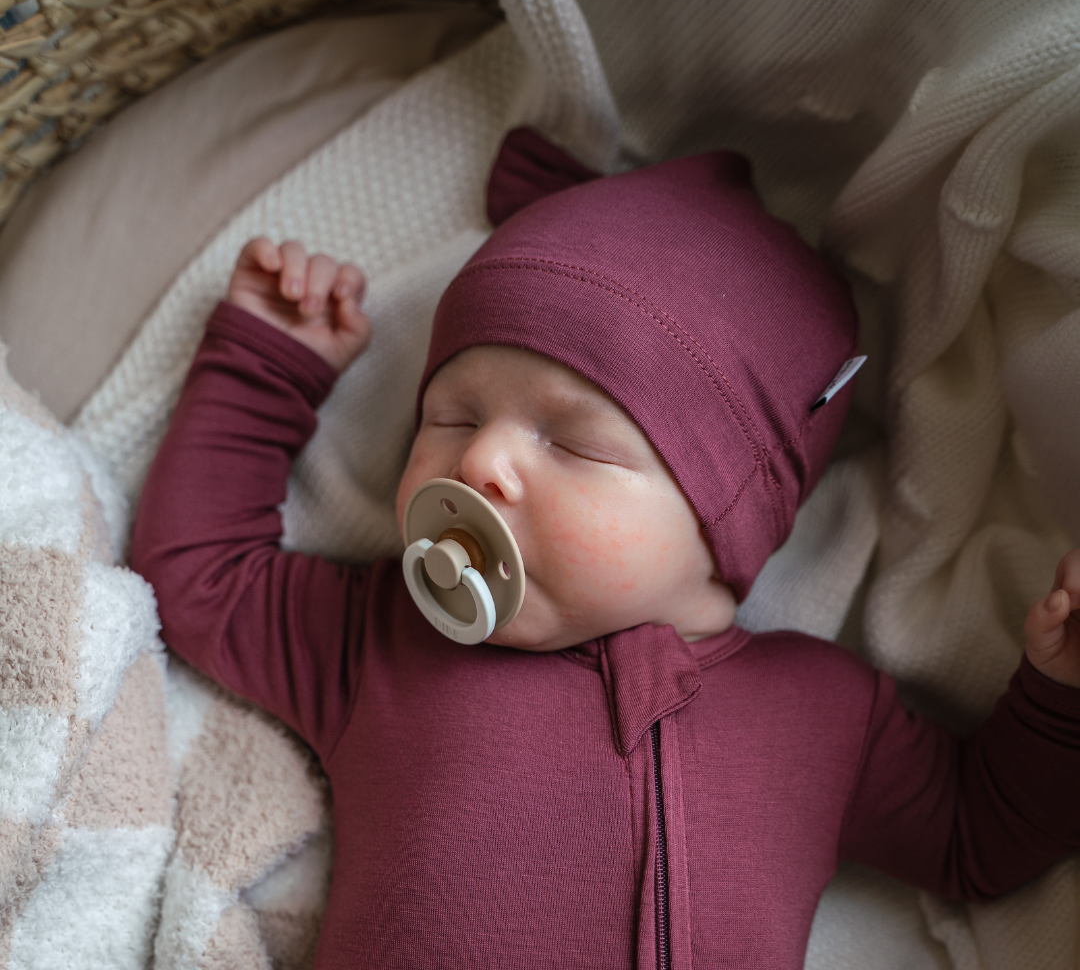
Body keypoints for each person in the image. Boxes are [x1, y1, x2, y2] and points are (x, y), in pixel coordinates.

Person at [131, 128, 1080, 970]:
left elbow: (981, 836)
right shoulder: (383, 643)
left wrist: (1059, 693)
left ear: (722, 517)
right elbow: (202, 578)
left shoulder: (825, 715)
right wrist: (263, 367)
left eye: (574, 443)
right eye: (452, 416)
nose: (482, 461)